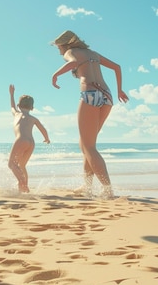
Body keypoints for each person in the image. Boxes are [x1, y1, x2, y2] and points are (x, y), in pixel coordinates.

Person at [51, 30, 128, 199]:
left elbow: (72, 63)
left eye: (58, 47)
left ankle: (108, 191)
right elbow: (117, 67)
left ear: (65, 44)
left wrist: (55, 75)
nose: (59, 51)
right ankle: (87, 187)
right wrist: (119, 90)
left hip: (91, 94)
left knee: (89, 147)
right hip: (107, 96)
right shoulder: (93, 53)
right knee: (86, 144)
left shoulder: (71, 52)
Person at [8, 84, 50, 193]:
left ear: (19, 105)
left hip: (21, 139)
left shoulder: (17, 114)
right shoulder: (33, 118)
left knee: (11, 164)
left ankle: (21, 182)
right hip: (31, 142)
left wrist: (11, 94)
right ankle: (24, 188)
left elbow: (12, 107)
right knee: (21, 165)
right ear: (32, 108)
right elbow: (43, 129)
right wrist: (46, 138)